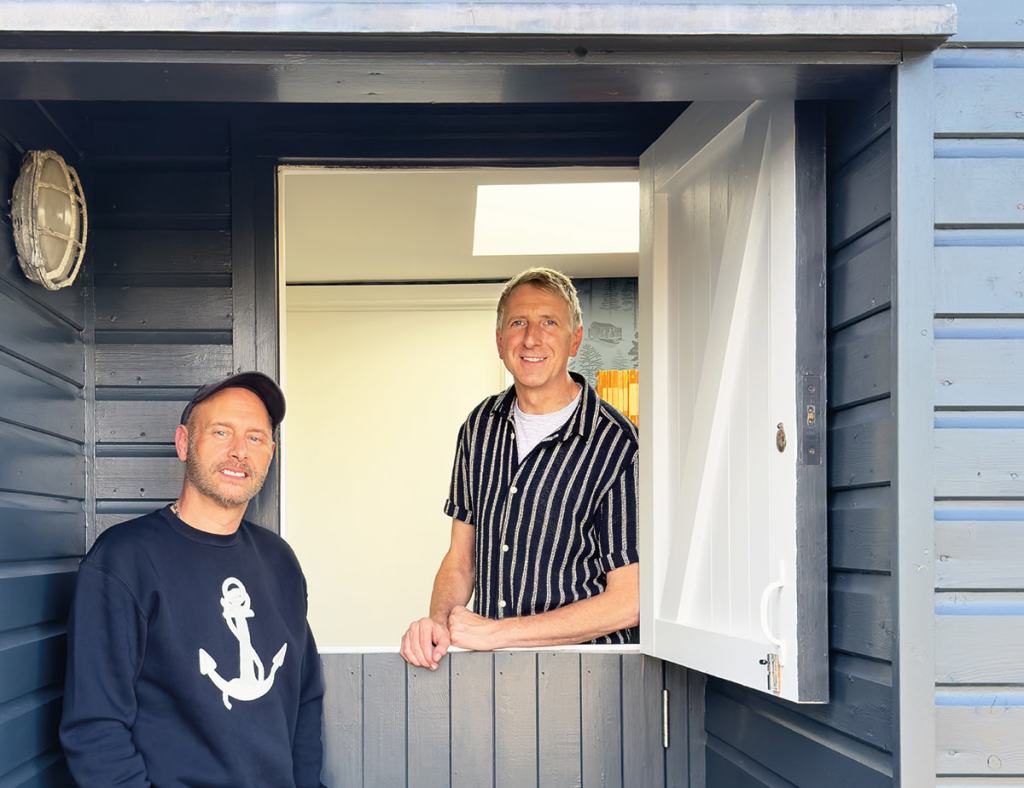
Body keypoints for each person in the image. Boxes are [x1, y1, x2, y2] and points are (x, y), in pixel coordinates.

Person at [60, 372, 324, 787]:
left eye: (255, 438)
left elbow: (305, 700)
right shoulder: (124, 560)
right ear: (184, 443)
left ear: (270, 454)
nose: (239, 451)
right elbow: (94, 729)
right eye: (222, 432)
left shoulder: (280, 562)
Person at [400, 268, 639, 670]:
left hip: (589, 682)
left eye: (549, 322)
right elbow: (461, 558)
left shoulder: (618, 444)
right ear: (499, 341)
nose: (531, 338)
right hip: (493, 676)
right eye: (518, 323)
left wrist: (498, 632)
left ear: (574, 339)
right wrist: (438, 624)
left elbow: (628, 601)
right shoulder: (478, 428)